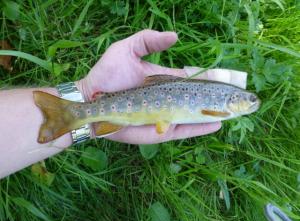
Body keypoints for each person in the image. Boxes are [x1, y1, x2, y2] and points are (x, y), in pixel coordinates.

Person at [0, 30, 222, 179]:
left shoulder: (216, 107)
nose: (254, 103)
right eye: (249, 100)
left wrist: (83, 94)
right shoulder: (216, 109)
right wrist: (84, 92)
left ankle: (72, 115)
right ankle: (71, 114)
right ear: (229, 103)